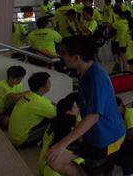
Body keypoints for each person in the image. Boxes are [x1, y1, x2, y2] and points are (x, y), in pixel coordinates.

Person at [46, 35, 125, 175]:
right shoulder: (84, 73)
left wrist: (62, 143)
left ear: (76, 58)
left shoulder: (96, 78)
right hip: (90, 134)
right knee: (55, 160)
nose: (61, 56)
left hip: (107, 138)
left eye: (64, 54)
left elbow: (93, 117)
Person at [38, 93, 83, 176]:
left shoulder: (54, 122)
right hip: (55, 171)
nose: (78, 108)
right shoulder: (71, 122)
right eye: (76, 106)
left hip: (43, 167)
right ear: (68, 112)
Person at [8, 72, 56, 147]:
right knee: (55, 120)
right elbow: (58, 113)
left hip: (12, 136)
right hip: (21, 141)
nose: (50, 84)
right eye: (48, 82)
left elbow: (48, 102)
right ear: (42, 87)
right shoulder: (40, 102)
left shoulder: (29, 94)